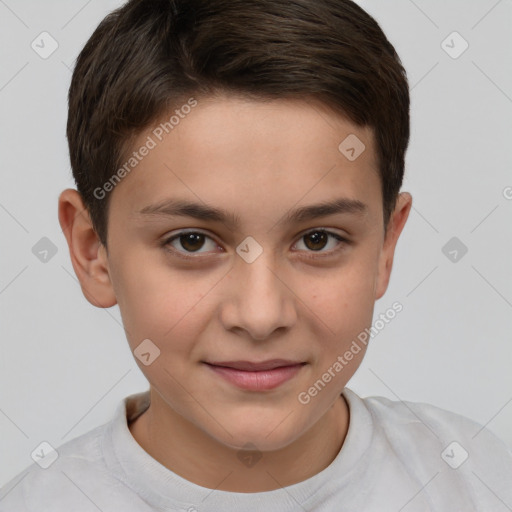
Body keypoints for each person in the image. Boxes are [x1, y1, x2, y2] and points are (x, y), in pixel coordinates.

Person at [1, 0, 511, 510]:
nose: (261, 315)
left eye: (318, 239)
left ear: (385, 247)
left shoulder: (481, 482)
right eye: (192, 241)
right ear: (95, 254)